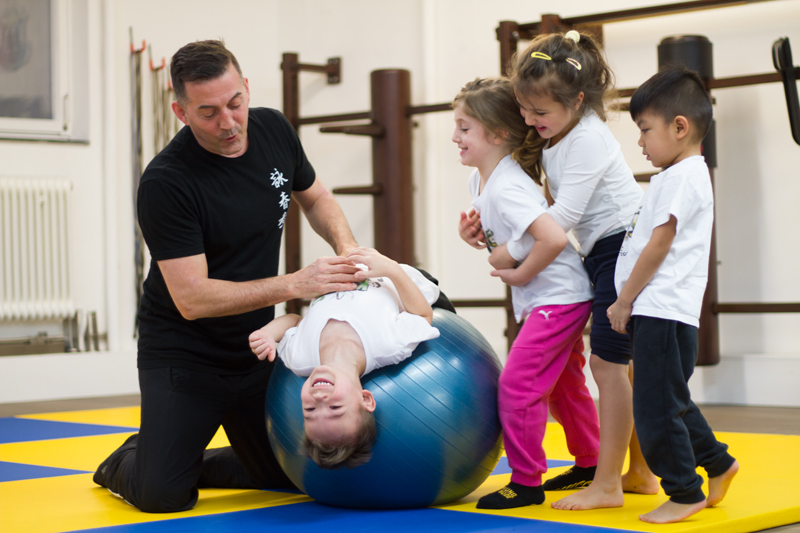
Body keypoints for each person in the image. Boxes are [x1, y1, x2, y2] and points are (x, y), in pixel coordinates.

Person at [92, 39, 362, 513]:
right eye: (208, 112)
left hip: (255, 346)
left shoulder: (274, 128)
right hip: (185, 353)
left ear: (247, 88)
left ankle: (180, 452)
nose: (229, 122)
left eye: (235, 103)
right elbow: (192, 299)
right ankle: (133, 458)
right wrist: (296, 284)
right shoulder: (166, 183)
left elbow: (316, 198)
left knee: (293, 475)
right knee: (162, 496)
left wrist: (348, 250)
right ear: (180, 111)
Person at [506, 29, 658, 510]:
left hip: (623, 248)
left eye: (539, 112)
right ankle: (640, 473)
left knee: (606, 365)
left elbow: (564, 217)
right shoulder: (562, 132)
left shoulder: (589, 135)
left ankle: (608, 483)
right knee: (622, 367)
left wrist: (511, 255)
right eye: (524, 109)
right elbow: (557, 209)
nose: (530, 120)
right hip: (604, 252)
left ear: (576, 99)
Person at [453, 77, 600, 510]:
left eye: (464, 128)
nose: (454, 136)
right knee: (563, 384)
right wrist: (473, 237)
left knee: (517, 386)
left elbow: (552, 238)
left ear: (498, 134)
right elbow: (506, 239)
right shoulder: (481, 183)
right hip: (551, 298)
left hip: (558, 297)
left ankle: (526, 481)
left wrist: (519, 274)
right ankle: (589, 464)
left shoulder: (508, 186)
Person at [608, 66, 739, 524]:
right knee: (670, 398)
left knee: (654, 407)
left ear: (679, 127)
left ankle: (684, 491)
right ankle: (720, 463)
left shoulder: (684, 176)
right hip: (658, 308)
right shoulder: (673, 175)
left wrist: (624, 299)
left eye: (645, 130)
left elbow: (659, 245)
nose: (640, 142)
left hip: (662, 308)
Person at [249, 247, 442, 469]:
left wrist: (268, 333)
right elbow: (422, 315)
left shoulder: (299, 359)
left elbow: (294, 321)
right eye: (335, 408)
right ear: (366, 399)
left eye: (309, 410)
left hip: (349, 264)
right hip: (399, 275)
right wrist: (392, 269)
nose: (319, 399)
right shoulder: (389, 347)